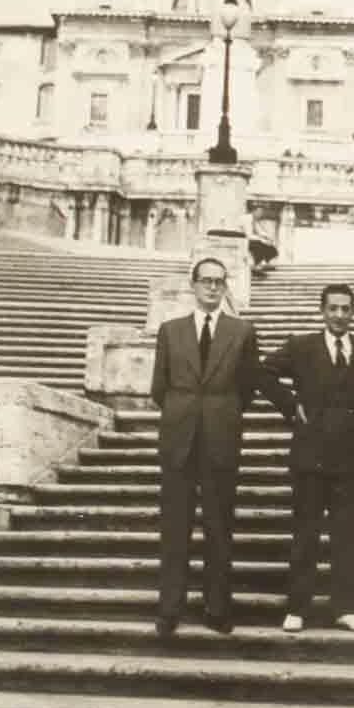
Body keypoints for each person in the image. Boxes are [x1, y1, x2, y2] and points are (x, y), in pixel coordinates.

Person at [257, 283, 354, 634]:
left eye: (346, 308)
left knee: (346, 535)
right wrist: (289, 404)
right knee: (306, 533)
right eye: (333, 308)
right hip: (310, 456)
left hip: (349, 458)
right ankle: (297, 607)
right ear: (322, 311)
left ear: (353, 312)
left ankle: (346, 607)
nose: (339, 315)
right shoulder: (301, 346)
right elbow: (262, 372)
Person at [149, 256, 260, 636]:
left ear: (226, 286)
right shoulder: (170, 330)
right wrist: (186, 413)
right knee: (174, 528)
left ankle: (217, 607)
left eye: (219, 282)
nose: (213, 288)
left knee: (218, 526)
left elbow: (246, 389)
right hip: (179, 440)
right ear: (193, 285)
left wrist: (218, 414)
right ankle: (170, 608)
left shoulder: (242, 331)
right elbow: (158, 389)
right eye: (206, 281)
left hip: (220, 439)